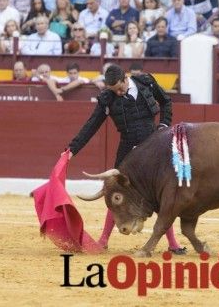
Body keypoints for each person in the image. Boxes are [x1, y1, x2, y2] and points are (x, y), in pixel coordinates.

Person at [66, 64, 186, 254]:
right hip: (127, 151)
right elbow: (91, 126)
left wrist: (163, 125)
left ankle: (173, 243)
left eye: (120, 88)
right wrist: (72, 150)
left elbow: (166, 102)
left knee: (158, 195)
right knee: (116, 191)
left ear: (125, 78)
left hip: (152, 145)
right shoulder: (107, 98)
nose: (119, 93)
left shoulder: (146, 83)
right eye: (114, 91)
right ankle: (103, 240)